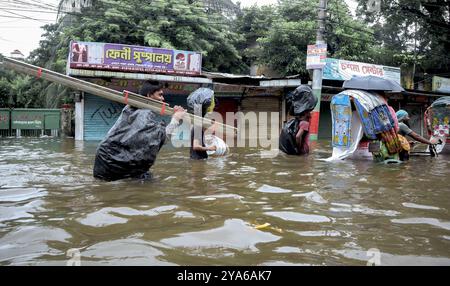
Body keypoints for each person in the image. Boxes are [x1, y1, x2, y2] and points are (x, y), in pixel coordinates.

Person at [93, 81, 186, 181]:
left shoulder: (131, 108)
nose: (163, 99)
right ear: (149, 95)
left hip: (105, 159)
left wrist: (173, 115)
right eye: (160, 95)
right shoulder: (143, 114)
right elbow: (162, 138)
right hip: (114, 161)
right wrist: (176, 119)